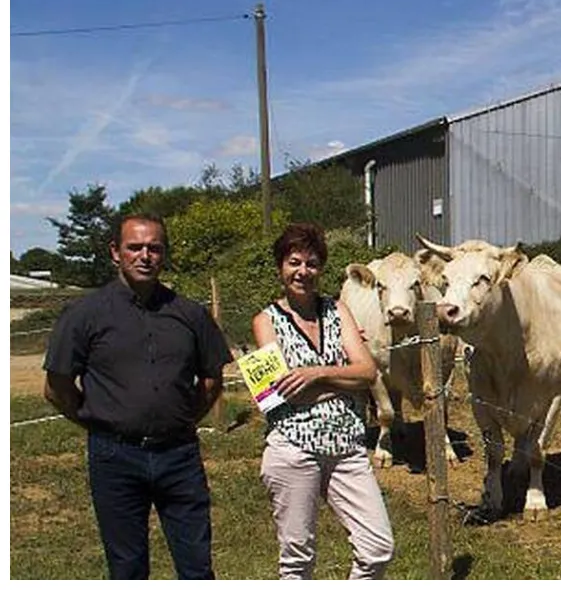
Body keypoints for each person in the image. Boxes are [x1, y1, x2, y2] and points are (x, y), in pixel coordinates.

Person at [43, 213, 231, 579]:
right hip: (115, 459)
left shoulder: (189, 314)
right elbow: (57, 388)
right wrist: (97, 422)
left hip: (179, 456)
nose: (145, 255)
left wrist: (182, 420)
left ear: (164, 255)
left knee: (196, 566)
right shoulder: (84, 315)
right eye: (135, 247)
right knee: (127, 568)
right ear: (116, 252)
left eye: (154, 248)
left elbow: (211, 379)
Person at [253, 222, 394, 580]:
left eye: (312, 263)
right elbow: (273, 394)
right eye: (294, 262)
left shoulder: (338, 310)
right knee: (297, 558)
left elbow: (368, 372)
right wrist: (345, 378)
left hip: (347, 448)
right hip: (293, 449)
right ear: (280, 266)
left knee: (377, 547)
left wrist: (315, 373)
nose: (303, 271)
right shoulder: (264, 322)